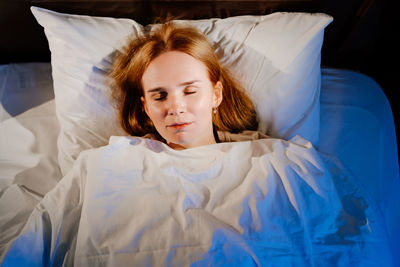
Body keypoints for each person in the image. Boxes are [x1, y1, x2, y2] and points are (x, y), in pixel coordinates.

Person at [109, 22, 259, 149]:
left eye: (190, 91)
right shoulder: (120, 162)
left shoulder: (266, 158)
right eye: (160, 96)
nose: (176, 109)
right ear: (146, 107)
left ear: (216, 95)